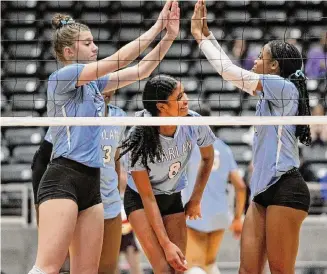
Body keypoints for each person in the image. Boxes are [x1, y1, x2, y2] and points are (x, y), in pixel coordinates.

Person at [28, 1, 180, 273]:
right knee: (48, 268)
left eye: (93, 42)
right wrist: (156, 26)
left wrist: (168, 37)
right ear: (68, 51)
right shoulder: (63, 76)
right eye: (87, 43)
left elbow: (140, 71)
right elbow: (120, 59)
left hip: (92, 181)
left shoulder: (94, 84)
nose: (95, 47)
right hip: (63, 176)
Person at [191, 1, 312, 273]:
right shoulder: (267, 94)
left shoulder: (284, 88)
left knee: (281, 270)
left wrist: (200, 37)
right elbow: (233, 73)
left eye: (260, 57)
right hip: (261, 192)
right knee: (247, 270)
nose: (255, 61)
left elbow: (229, 72)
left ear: (274, 66)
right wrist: (208, 35)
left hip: (285, 187)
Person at [119, 74, 216, 273]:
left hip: (172, 197)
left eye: (184, 93)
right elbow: (148, 197)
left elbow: (208, 158)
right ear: (162, 107)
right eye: (179, 97)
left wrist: (196, 198)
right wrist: (166, 244)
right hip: (141, 201)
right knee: (163, 268)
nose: (186, 99)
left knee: (178, 268)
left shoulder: (193, 123)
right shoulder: (139, 136)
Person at [182, 106, 246, 274]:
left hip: (195, 214)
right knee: (209, 263)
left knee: (194, 265)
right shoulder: (224, 148)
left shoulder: (187, 146)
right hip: (220, 215)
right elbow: (240, 186)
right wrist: (238, 218)